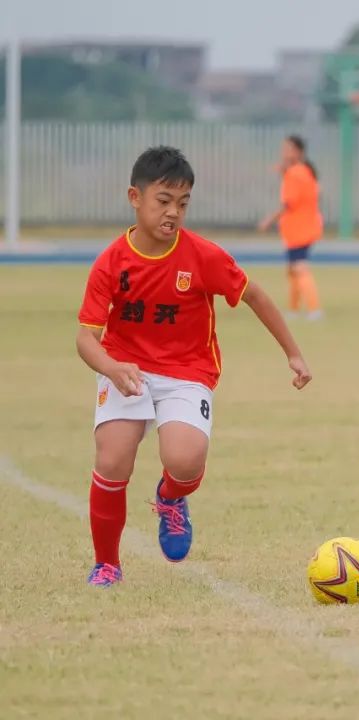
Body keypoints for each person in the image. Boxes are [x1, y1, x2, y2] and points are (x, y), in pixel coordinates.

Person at [77, 146, 312, 587]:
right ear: (135, 196)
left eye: (182, 204)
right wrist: (111, 368)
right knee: (112, 461)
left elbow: (256, 295)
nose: (173, 213)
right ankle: (107, 563)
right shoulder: (112, 261)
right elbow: (85, 339)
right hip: (125, 370)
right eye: (163, 201)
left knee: (184, 460)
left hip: (188, 372)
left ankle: (171, 497)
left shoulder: (202, 256)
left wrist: (293, 353)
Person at [258, 135, 324, 320]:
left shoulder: (295, 173)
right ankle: (294, 309)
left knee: (299, 267)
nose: (284, 153)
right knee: (293, 269)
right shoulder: (303, 171)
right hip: (303, 227)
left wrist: (268, 220)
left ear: (297, 152)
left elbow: (289, 203)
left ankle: (314, 309)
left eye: (288, 149)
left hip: (299, 228)